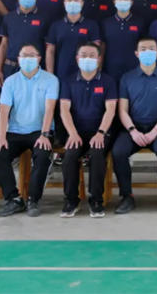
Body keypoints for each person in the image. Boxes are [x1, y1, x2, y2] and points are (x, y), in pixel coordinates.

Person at [0, 43, 59, 217]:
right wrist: (1, 137)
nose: (28, 59)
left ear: (39, 58)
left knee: (42, 155)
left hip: (40, 131)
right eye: (24, 56)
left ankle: (33, 200)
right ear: (18, 59)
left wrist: (45, 134)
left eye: (32, 55)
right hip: (15, 131)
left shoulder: (50, 80)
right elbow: (4, 110)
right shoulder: (10, 81)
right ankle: (13, 199)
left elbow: (50, 108)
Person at [113, 37, 157, 215]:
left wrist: (154, 132)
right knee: (118, 152)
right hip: (133, 128)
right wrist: (133, 131)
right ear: (136, 53)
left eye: (151, 48)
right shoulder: (127, 78)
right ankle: (127, 196)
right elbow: (122, 110)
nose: (147, 52)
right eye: (143, 49)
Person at [59, 42, 117, 219]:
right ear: (77, 59)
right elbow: (64, 110)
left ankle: (96, 200)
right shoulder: (68, 81)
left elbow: (110, 110)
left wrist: (100, 133)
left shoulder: (108, 81)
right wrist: (72, 133)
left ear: (99, 59)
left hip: (100, 131)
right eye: (84, 55)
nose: (88, 59)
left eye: (92, 55)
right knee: (70, 156)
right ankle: (71, 200)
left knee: (97, 155)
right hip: (76, 131)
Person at [0, 0, 51, 86]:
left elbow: (48, 47)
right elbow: (3, 45)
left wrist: (48, 71)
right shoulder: (9, 17)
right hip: (11, 68)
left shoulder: (45, 18)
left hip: (36, 68)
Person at [46, 0, 102, 83]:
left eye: (76, 0)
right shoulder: (56, 25)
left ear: (82, 3)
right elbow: (50, 51)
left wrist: (97, 72)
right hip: (62, 72)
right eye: (69, 0)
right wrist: (50, 75)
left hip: (86, 73)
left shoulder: (91, 25)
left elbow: (97, 50)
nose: (72, 2)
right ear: (64, 3)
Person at [101, 0, 146, 81]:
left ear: (131, 2)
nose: (123, 1)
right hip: (110, 70)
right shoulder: (106, 23)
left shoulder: (140, 22)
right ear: (114, 1)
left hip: (133, 70)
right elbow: (102, 46)